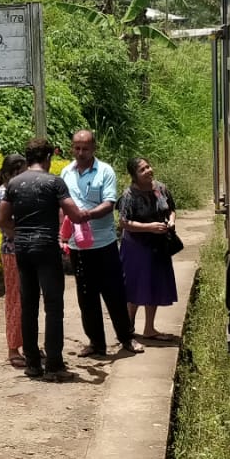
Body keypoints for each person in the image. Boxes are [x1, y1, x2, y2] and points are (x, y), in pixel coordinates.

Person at [0, 138, 101, 380]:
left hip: (22, 248)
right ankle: (53, 364)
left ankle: (32, 363)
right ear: (47, 158)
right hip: (46, 247)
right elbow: (73, 215)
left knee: (29, 305)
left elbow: (2, 218)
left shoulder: (14, 184)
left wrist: (18, 232)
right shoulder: (54, 182)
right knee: (53, 306)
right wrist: (89, 214)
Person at [59, 130, 138, 358]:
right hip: (77, 246)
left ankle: (126, 338)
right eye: (77, 148)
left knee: (114, 293)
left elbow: (110, 202)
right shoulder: (66, 172)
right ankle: (96, 343)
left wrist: (87, 215)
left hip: (104, 243)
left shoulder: (105, 171)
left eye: (85, 148)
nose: (80, 152)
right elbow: (62, 207)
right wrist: (61, 235)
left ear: (94, 148)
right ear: (72, 148)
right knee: (86, 296)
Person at [119, 156, 180, 340]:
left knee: (153, 285)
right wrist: (150, 227)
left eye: (148, 167)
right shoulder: (128, 195)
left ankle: (149, 328)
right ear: (134, 175)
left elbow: (171, 209)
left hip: (158, 246)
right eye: (142, 170)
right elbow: (124, 223)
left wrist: (171, 220)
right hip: (136, 247)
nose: (148, 171)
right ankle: (128, 327)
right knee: (135, 286)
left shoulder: (160, 188)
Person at [0, 153, 29, 368]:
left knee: (28, 299)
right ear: (10, 174)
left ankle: (28, 344)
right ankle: (13, 348)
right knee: (15, 300)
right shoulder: (3, 194)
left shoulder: (17, 190)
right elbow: (5, 224)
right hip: (12, 251)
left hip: (24, 249)